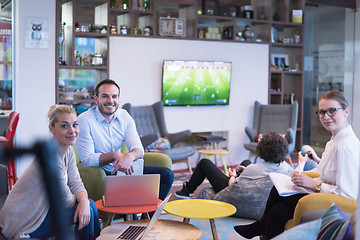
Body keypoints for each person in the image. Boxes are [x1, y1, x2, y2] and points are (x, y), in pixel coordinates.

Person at [234, 90, 360, 239]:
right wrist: (302, 178)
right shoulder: (333, 142)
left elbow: (349, 194)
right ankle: (262, 226)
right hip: (323, 194)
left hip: (337, 206)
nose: (326, 116)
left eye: (332, 111)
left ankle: (261, 226)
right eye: (322, 112)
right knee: (278, 211)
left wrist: (314, 185)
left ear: (346, 111)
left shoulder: (346, 147)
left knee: (278, 205)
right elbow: (323, 175)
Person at [0, 105, 100, 239]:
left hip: (41, 215)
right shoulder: (51, 157)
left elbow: (76, 183)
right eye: (64, 126)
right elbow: (64, 201)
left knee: (88, 205)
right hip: (23, 224)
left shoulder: (68, 151)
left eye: (75, 125)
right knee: (87, 206)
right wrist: (83, 201)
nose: (72, 130)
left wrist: (83, 201)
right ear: (51, 129)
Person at [76, 79, 174, 201]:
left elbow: (138, 148)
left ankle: (146, 216)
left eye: (114, 96)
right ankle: (136, 216)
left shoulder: (124, 116)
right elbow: (87, 159)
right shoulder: (84, 120)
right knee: (129, 203)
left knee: (166, 175)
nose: (110, 101)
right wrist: (115, 155)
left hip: (125, 170)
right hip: (102, 173)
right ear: (96, 99)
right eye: (105, 96)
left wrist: (130, 157)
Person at [175, 132, 294, 199]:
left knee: (204, 163)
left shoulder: (253, 170)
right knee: (246, 163)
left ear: (262, 150)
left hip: (231, 192)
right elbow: (258, 171)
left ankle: (187, 190)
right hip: (260, 192)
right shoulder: (287, 168)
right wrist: (246, 170)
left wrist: (232, 176)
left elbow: (233, 186)